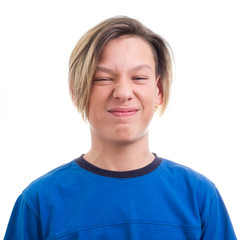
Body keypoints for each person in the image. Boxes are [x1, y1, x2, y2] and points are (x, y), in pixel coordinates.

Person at [4, 16, 237, 240]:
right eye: (103, 79)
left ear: (159, 90)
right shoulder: (40, 202)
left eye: (138, 78)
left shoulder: (199, 197)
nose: (123, 93)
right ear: (77, 91)